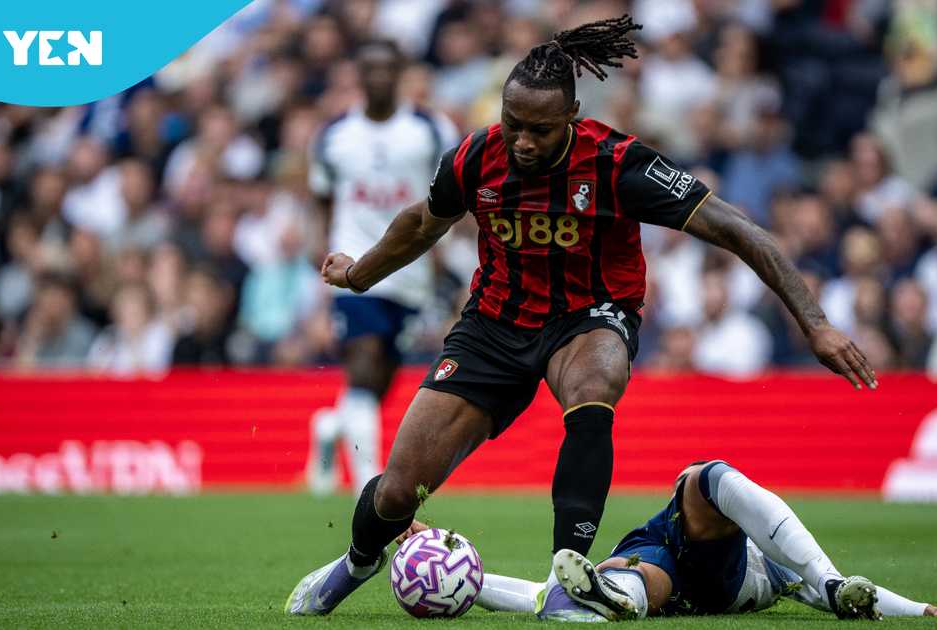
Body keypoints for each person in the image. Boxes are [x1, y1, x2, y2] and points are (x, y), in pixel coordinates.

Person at [286, 16, 877, 616]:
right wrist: (359, 274)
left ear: (570, 116)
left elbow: (738, 230)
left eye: (539, 130)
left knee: (594, 388)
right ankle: (357, 562)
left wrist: (816, 323)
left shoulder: (618, 163)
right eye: (512, 123)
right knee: (396, 490)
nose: (521, 141)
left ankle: (567, 583)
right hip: (494, 324)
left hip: (589, 316)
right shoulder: (473, 158)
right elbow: (420, 224)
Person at [467, 460, 937, 622]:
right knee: (639, 574)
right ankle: (610, 598)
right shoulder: (785, 571)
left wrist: (467, 582)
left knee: (704, 478)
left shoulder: (778, 569)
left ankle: (612, 595)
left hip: (709, 568)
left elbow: (855, 597)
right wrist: (919, 608)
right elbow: (856, 596)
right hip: (680, 566)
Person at [304, 39, 458, 498]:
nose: (378, 78)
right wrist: (322, 264)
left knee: (379, 381)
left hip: (408, 269)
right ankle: (368, 489)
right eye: (369, 69)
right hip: (353, 264)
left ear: (400, 73)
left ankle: (331, 427)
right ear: (358, 74)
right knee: (365, 364)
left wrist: (441, 262)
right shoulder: (334, 136)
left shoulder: (431, 130)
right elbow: (321, 201)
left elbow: (451, 197)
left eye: (387, 69)